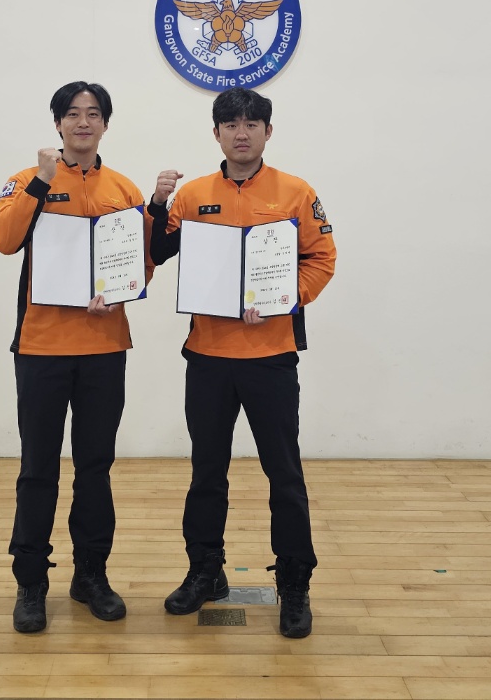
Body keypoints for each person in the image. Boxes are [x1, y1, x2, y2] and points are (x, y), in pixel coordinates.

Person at [147, 87, 336, 638]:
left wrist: (283, 298)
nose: (242, 132)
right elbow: (156, 253)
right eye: (231, 124)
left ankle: (295, 583)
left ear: (268, 132)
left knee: (284, 473)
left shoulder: (296, 192)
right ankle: (205, 571)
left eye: (253, 123)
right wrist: (157, 204)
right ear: (216, 134)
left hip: (270, 357)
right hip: (208, 357)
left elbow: (321, 259)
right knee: (207, 471)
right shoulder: (192, 196)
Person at [0, 81, 151, 634]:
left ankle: (91, 576)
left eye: (94, 113)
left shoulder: (123, 189)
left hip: (104, 349)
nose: (84, 122)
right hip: (41, 349)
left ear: (105, 124)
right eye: (73, 113)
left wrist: (123, 289)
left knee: (95, 468)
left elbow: (140, 261)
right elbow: (4, 239)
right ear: (58, 123)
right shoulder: (26, 179)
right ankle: (31, 582)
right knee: (38, 469)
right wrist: (40, 181)